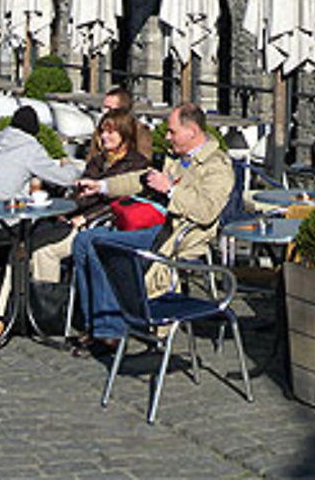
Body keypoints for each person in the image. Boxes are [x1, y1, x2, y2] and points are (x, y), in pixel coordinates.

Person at [71, 101, 233, 350]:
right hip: (160, 227)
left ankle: (110, 330)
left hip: (181, 235)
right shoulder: (175, 156)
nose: (167, 137)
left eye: (172, 132)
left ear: (192, 132)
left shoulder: (216, 166)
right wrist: (102, 186)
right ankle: (97, 322)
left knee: (100, 244)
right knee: (84, 240)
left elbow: (206, 210)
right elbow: (141, 179)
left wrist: (171, 190)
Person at [0, 105, 85, 342]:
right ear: (34, 131)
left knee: (25, 248)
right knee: (34, 242)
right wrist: (71, 168)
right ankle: (42, 313)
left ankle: (6, 315)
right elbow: (62, 178)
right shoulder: (29, 147)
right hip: (9, 223)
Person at [29, 108, 149, 285]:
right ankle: (8, 308)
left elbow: (120, 203)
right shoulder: (98, 160)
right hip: (74, 219)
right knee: (24, 245)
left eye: (110, 132)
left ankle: (47, 308)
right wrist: (61, 210)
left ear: (125, 133)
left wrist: (85, 217)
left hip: (100, 225)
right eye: (102, 131)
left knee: (45, 252)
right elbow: (81, 193)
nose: (104, 136)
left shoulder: (137, 164)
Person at [101, 85, 154, 158]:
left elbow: (144, 159)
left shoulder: (139, 131)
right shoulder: (101, 128)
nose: (104, 111)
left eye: (109, 108)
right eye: (104, 107)